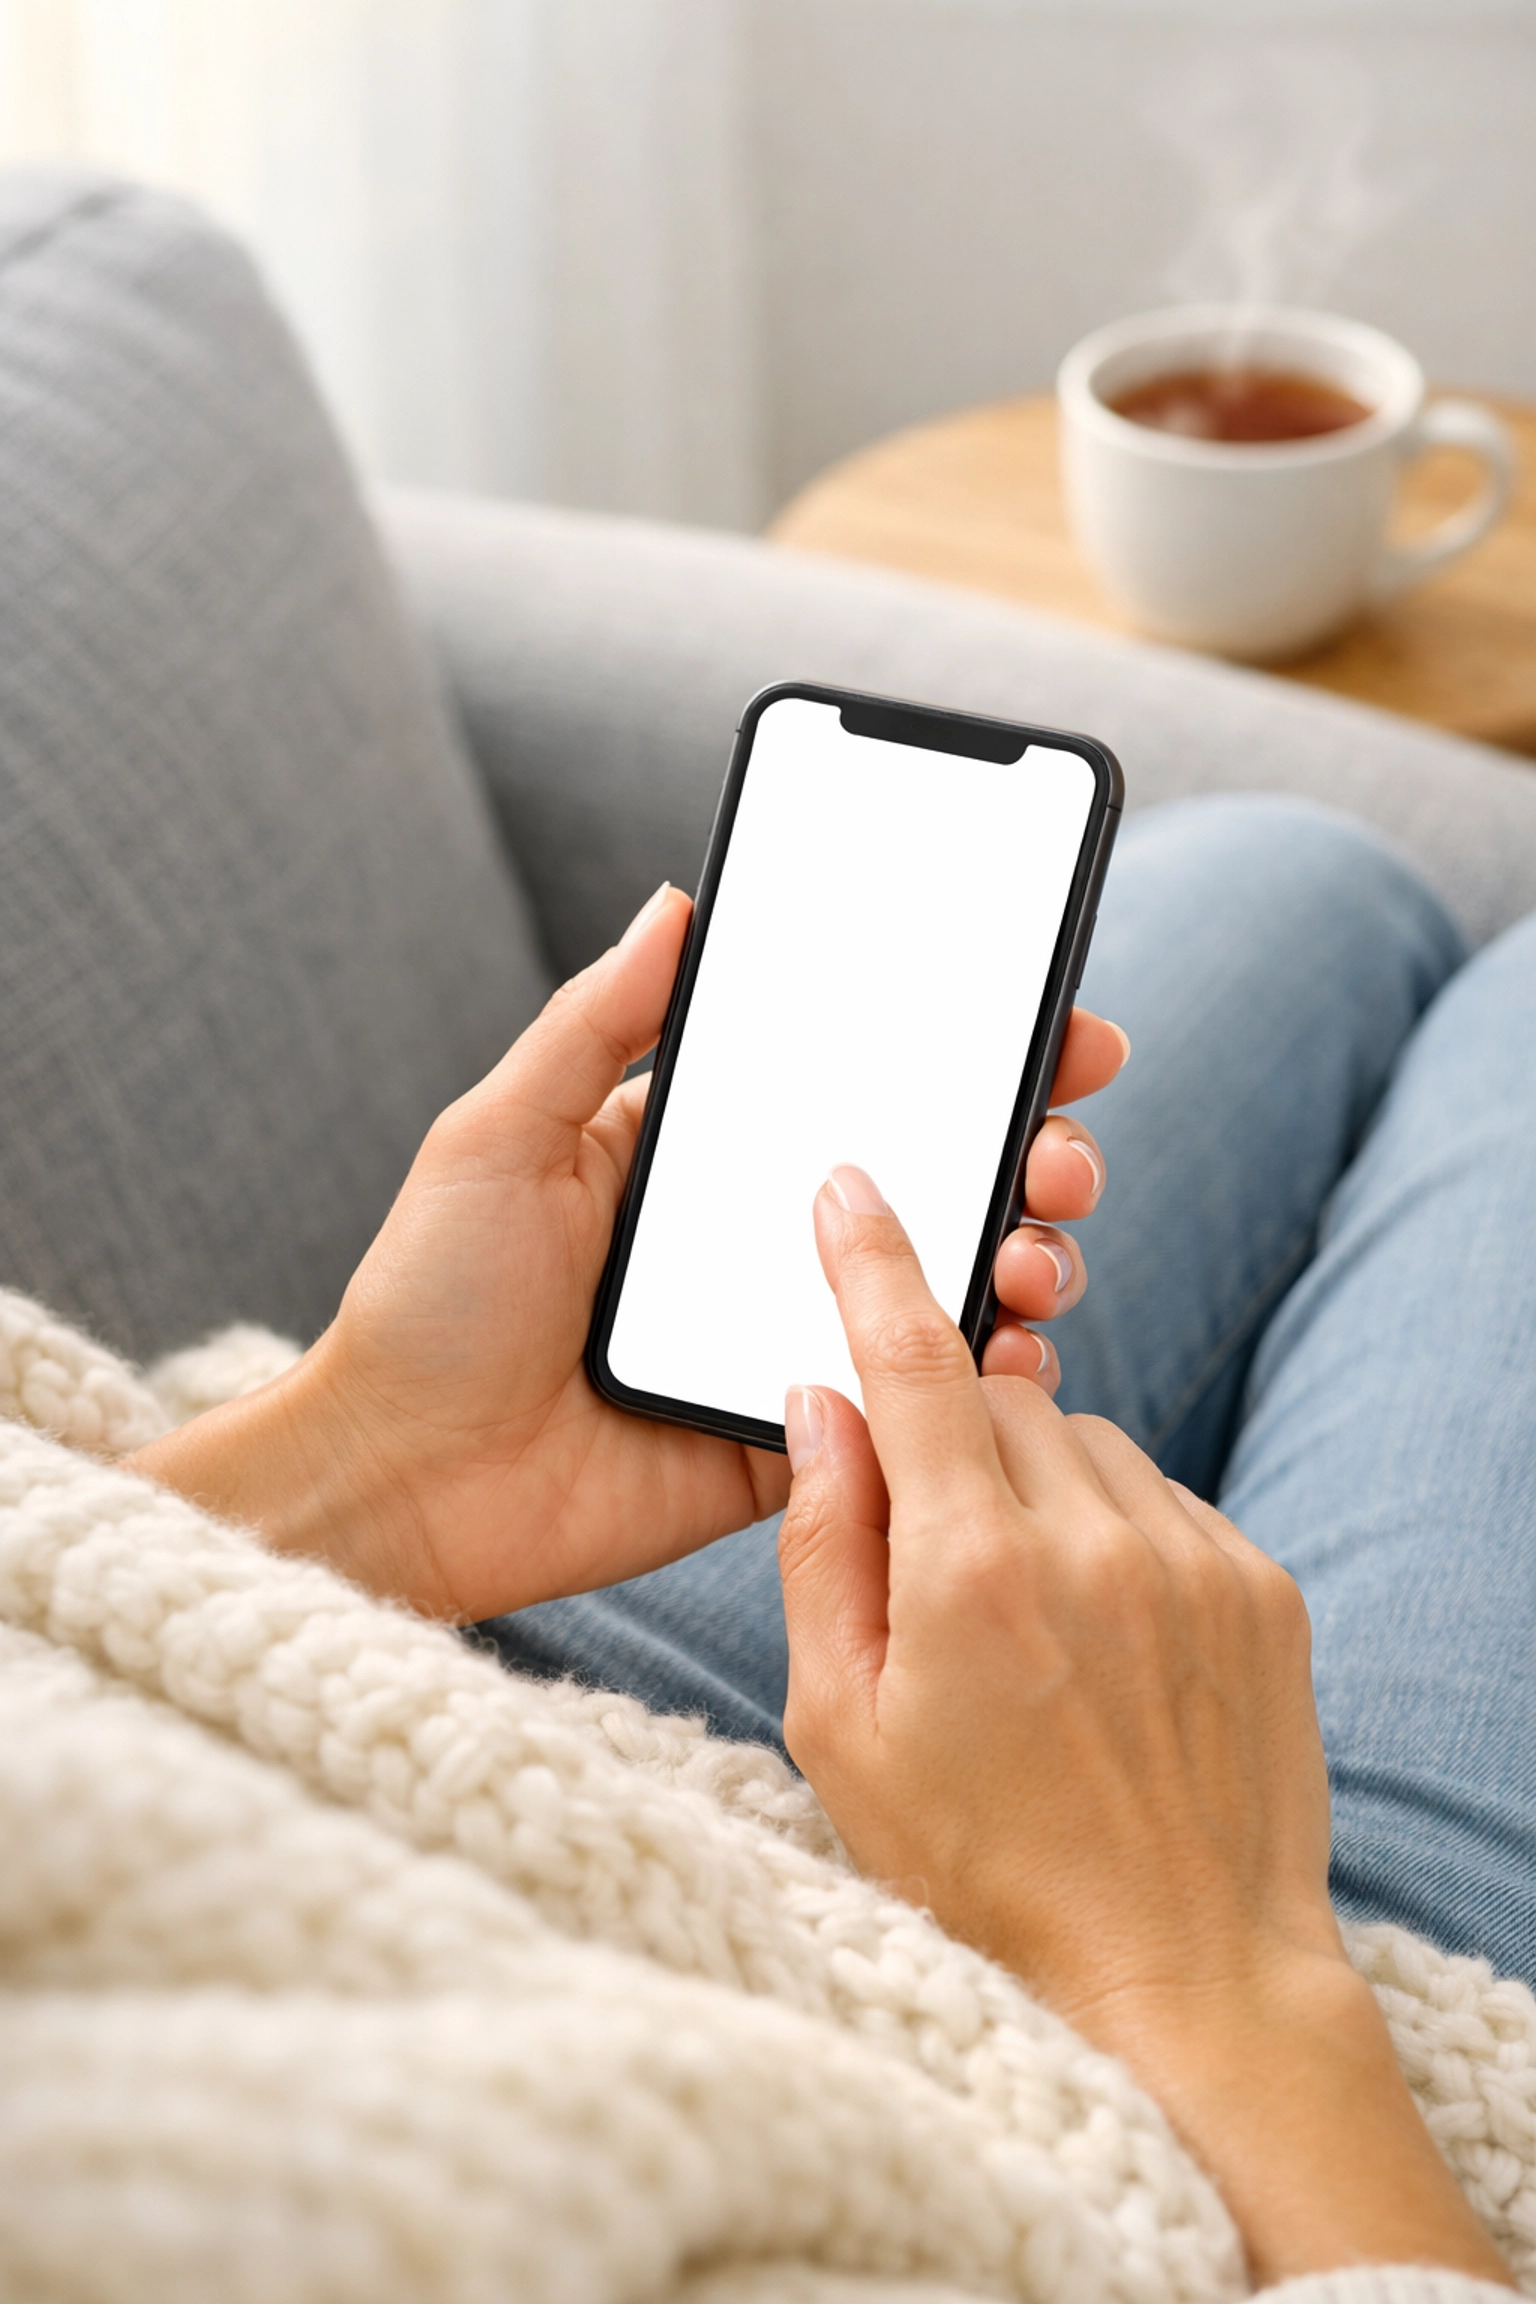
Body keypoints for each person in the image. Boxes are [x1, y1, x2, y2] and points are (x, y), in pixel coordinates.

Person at [127, 792, 1535, 2296]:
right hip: (1199, 2060)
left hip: (403, 1653)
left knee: (1305, 881)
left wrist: (357, 1468)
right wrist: (1204, 1970)